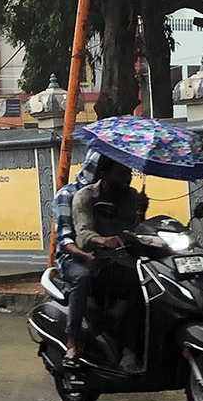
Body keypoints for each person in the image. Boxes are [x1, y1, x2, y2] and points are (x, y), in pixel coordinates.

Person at [70, 157, 147, 370]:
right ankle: (127, 350)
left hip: (127, 261)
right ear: (104, 173)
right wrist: (103, 240)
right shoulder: (85, 197)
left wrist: (142, 211)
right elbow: (82, 235)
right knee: (136, 286)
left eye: (129, 173)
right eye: (121, 173)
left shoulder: (131, 196)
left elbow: (137, 232)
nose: (128, 178)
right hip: (97, 263)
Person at [52, 151, 101, 360]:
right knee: (83, 277)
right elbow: (64, 241)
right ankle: (72, 339)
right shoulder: (68, 195)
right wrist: (86, 257)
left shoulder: (120, 195)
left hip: (107, 256)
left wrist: (139, 210)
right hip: (72, 258)